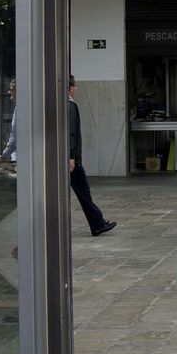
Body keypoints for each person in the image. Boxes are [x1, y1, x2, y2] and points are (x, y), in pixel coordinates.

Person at [69, 76, 116, 236]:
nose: (76, 89)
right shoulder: (69, 106)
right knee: (83, 192)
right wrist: (72, 156)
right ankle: (97, 224)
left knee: (83, 192)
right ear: (70, 87)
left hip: (71, 158)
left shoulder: (65, 105)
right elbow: (71, 133)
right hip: (72, 160)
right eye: (74, 86)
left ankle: (98, 222)